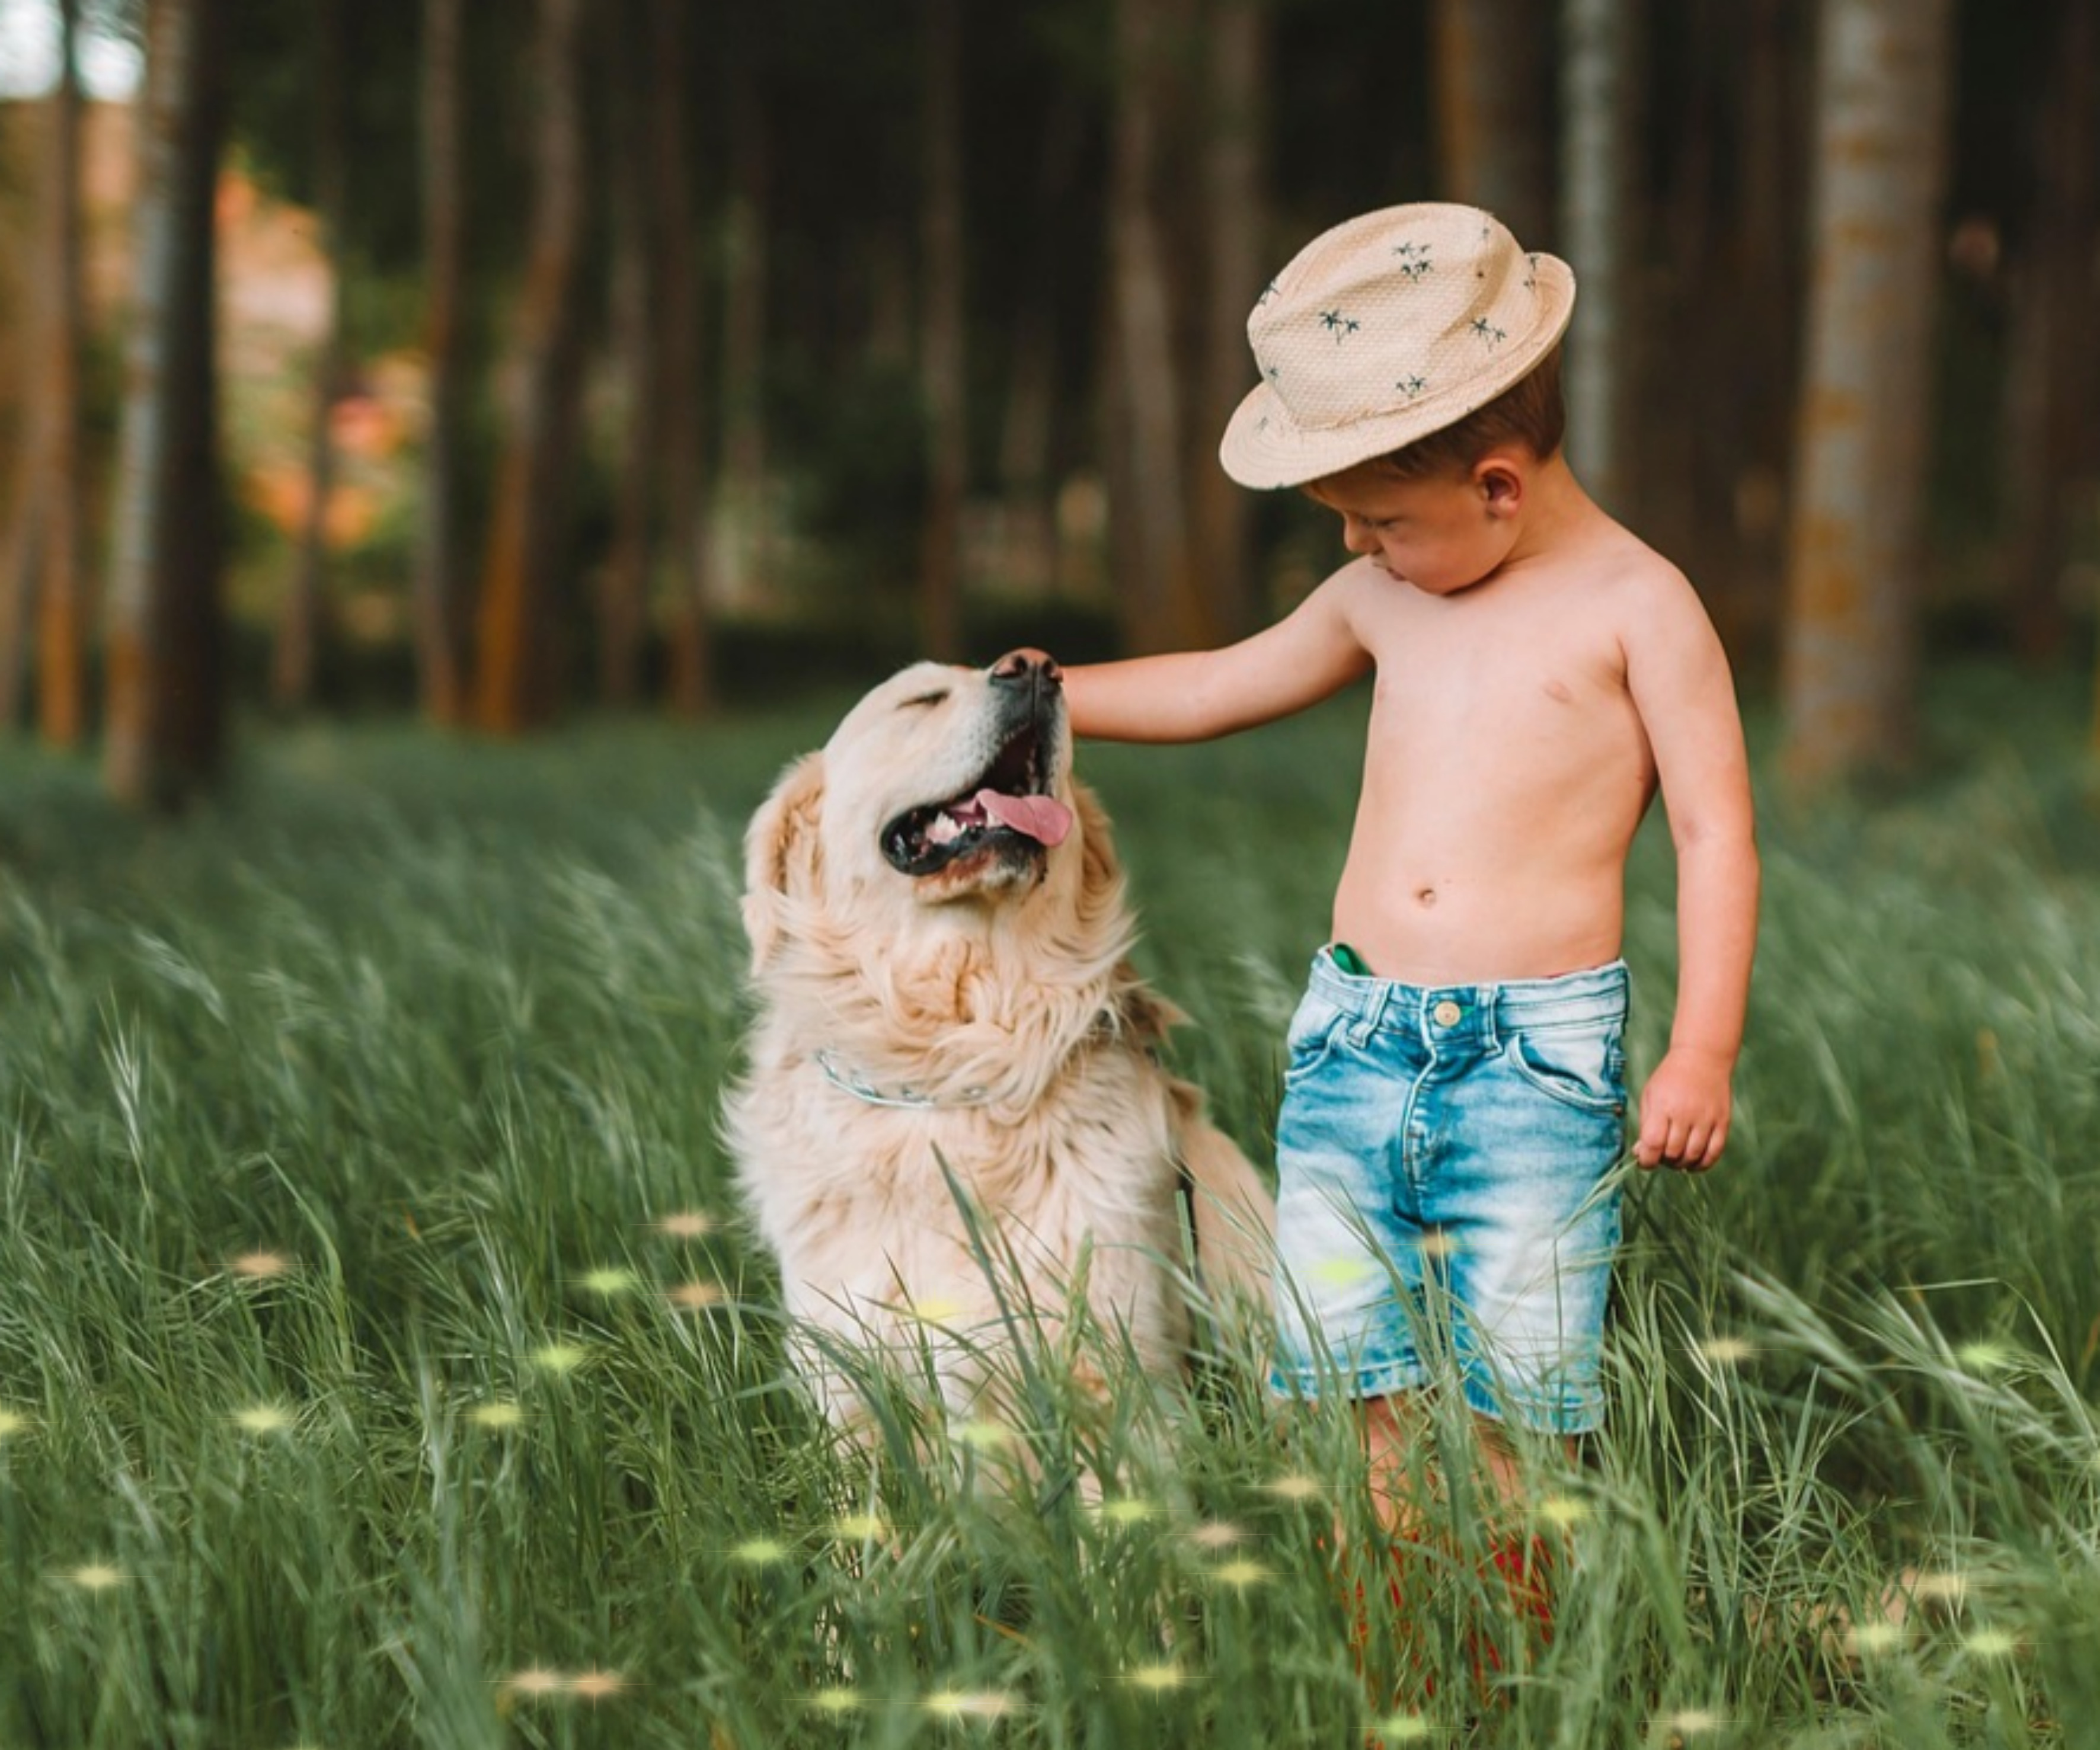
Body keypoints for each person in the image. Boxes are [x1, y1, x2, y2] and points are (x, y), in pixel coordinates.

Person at [1054, 203, 1759, 1586]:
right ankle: (1386, 1658)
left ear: (1496, 486)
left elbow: (1715, 829)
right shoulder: (1387, 598)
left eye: (1377, 521)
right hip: (1354, 1045)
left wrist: (1702, 1046)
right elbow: (1211, 684)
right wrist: (1046, 696)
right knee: (1348, 1377)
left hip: (1530, 1064)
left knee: (1516, 1393)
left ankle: (1507, 1657)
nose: (1354, 551)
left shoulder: (1638, 605)